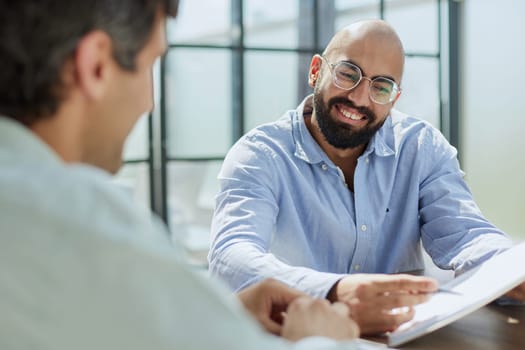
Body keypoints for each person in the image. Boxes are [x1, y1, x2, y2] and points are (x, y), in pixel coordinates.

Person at [0, 1, 364, 349]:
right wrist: (324, 340)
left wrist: (218, 316)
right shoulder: (78, 221)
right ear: (95, 65)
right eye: (150, 66)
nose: (149, 102)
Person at [208, 19, 525, 335]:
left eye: (381, 86)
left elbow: (466, 234)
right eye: (348, 73)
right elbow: (231, 258)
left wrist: (511, 270)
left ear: (395, 98)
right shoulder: (260, 154)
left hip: (405, 338)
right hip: (299, 340)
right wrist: (333, 291)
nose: (359, 99)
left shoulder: (420, 147)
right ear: (316, 71)